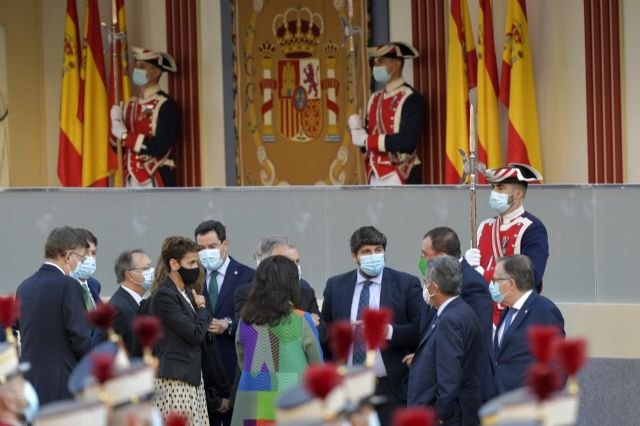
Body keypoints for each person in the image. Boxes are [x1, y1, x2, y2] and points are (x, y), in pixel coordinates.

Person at [321, 226, 422, 425]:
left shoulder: (406, 284)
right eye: (366, 251)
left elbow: (420, 329)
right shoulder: (336, 285)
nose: (373, 255)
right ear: (354, 256)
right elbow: (325, 331)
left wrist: (388, 331)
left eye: (378, 250)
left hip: (390, 388)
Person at [232, 256, 323, 426]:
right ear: (292, 284)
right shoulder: (302, 319)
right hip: (293, 405)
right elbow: (318, 368)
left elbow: (243, 363)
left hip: (252, 405)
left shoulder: (246, 321)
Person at [16, 226, 92, 405]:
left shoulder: (24, 287)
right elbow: (80, 338)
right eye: (80, 258)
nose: (79, 264)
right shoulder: (69, 286)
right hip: (62, 382)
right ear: (67, 255)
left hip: (29, 382)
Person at [464, 163, 549, 324]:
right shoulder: (484, 226)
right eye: (493, 187)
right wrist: (466, 267)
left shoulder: (532, 228)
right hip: (481, 312)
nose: (494, 192)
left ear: (517, 194)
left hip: (512, 314)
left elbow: (531, 276)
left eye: (500, 188)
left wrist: (484, 275)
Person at [418, 227, 495, 402]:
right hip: (439, 386)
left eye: (425, 254)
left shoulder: (472, 284)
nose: (422, 260)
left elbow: (470, 340)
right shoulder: (434, 280)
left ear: (441, 256)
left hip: (463, 394)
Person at [407, 255, 482, 425]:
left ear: (434, 287)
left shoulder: (450, 319)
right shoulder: (460, 310)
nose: (425, 287)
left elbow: (450, 374)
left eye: (426, 282)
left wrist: (439, 415)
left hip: (450, 416)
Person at [194, 220, 254, 426]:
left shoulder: (247, 276)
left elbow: (255, 323)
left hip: (233, 366)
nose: (206, 252)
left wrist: (229, 325)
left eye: (212, 247)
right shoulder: (194, 278)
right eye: (200, 248)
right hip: (204, 375)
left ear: (224, 244)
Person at [150, 236, 212, 425]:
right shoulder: (164, 295)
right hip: (174, 380)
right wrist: (202, 309)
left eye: (197, 262)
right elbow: (194, 334)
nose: (196, 267)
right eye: (191, 262)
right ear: (174, 264)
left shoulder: (185, 292)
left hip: (190, 377)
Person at [348, 41, 425, 185]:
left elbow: (407, 141)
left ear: (396, 65)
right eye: (375, 62)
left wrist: (366, 140)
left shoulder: (412, 98)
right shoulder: (375, 98)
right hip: (374, 173)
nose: (375, 66)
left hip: (401, 173)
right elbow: (367, 142)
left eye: (380, 61)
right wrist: (356, 131)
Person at [492, 255, 565, 395]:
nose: (492, 285)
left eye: (495, 280)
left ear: (511, 284)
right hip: (502, 402)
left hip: (527, 404)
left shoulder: (544, 311)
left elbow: (556, 364)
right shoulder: (507, 309)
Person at [234, 235, 326, 344]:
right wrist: (306, 323)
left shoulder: (306, 293)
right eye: (289, 261)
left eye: (297, 261)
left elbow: (323, 334)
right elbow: (252, 335)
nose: (295, 267)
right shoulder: (246, 293)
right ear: (271, 263)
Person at [109, 47, 180, 187]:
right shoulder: (129, 105)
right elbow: (118, 149)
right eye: (136, 65)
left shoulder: (166, 105)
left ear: (155, 72)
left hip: (155, 177)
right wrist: (115, 125)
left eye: (142, 66)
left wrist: (124, 136)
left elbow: (160, 147)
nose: (136, 70)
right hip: (130, 179)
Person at [109, 249, 154, 356]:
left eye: (152, 267)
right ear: (129, 275)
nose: (152, 272)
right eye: (146, 268)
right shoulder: (118, 307)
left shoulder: (144, 303)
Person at [74, 228, 102, 308]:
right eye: (85, 252)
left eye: (93, 253)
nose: (90, 257)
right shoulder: (64, 286)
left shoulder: (95, 284)